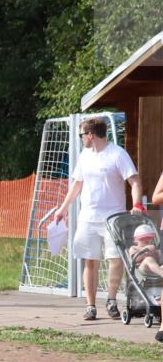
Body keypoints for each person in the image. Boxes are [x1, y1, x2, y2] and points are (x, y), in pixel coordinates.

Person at [53, 117, 142, 321]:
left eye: (82, 134)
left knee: (115, 259)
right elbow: (77, 183)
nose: (81, 138)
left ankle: (111, 300)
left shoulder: (117, 154)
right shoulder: (85, 155)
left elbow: (134, 181)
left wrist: (136, 204)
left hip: (114, 218)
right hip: (88, 217)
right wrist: (63, 208)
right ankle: (90, 305)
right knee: (90, 260)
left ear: (91, 135)